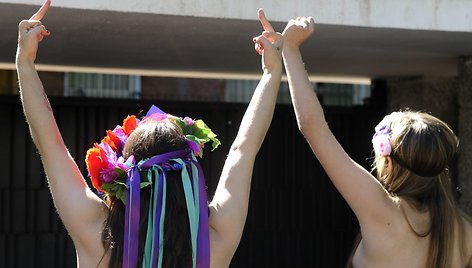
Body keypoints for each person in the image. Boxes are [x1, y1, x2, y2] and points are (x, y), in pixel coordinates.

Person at [16, 0, 283, 267]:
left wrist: (25, 60)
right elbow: (242, 150)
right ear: (187, 174)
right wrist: (272, 72)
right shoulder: (217, 239)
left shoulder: (96, 232)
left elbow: (51, 146)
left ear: (125, 174)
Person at [257, 13, 472, 268]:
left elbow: (313, 127)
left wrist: (290, 49)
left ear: (389, 162)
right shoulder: (464, 232)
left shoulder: (383, 211)